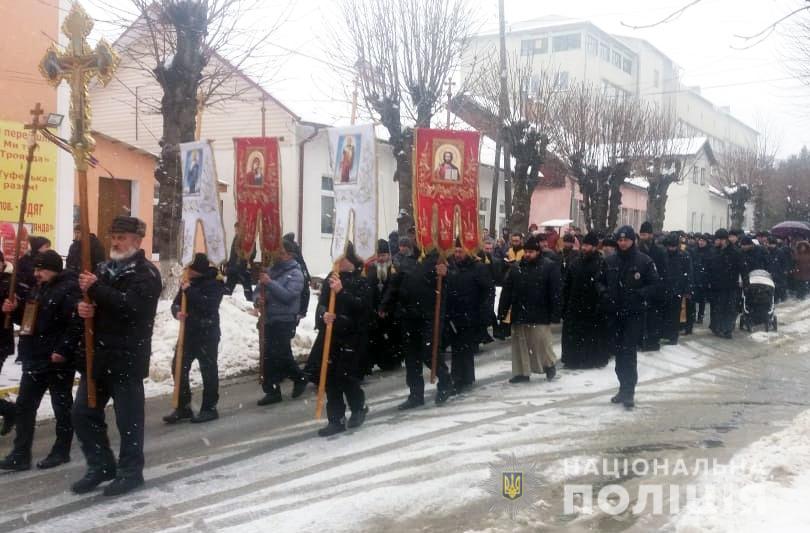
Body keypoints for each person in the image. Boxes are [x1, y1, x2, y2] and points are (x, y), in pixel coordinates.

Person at [73, 216, 162, 496]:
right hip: (97, 356)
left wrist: (96, 289)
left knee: (129, 421)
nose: (115, 242)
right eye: (113, 236)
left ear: (137, 241)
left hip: (127, 357)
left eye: (122, 237)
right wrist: (85, 309)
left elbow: (131, 308)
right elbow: (97, 304)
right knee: (82, 414)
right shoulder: (101, 269)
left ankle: (130, 471)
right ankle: (101, 465)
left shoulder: (146, 274)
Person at [0, 250, 81, 471]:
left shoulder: (69, 289)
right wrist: (14, 310)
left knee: (61, 405)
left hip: (56, 359)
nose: (36, 273)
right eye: (35, 269)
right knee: (25, 406)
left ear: (53, 269)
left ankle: (61, 450)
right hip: (35, 356)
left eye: (41, 269)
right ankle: (20, 453)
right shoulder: (39, 288)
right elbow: (30, 319)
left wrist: (63, 350)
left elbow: (75, 324)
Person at [381, 247, 454, 409]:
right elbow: (395, 285)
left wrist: (446, 274)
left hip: (429, 316)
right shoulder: (407, 261)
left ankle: (445, 382)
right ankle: (415, 394)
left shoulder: (439, 259)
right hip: (408, 316)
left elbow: (454, 282)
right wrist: (385, 305)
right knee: (411, 357)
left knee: (429, 353)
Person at [598, 226, 659, 409]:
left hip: (633, 314)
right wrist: (604, 293)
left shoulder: (644, 261)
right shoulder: (609, 261)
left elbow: (655, 285)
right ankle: (622, 386)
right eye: (620, 240)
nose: (623, 243)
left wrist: (639, 294)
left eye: (626, 240)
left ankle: (629, 390)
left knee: (628, 352)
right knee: (617, 353)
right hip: (614, 313)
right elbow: (599, 281)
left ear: (633, 240)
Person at [163, 253, 225, 424]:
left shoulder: (215, 282)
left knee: (208, 370)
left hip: (207, 333)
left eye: (189, 268)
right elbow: (175, 303)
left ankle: (209, 408)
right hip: (188, 334)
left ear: (196, 270)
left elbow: (208, 306)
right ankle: (183, 406)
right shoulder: (187, 282)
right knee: (178, 367)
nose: (186, 270)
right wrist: (177, 312)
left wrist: (189, 290)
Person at [315, 244, 370, 437]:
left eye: (342, 258)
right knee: (330, 379)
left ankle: (358, 407)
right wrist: (324, 315)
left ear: (350, 260)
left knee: (346, 377)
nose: (338, 262)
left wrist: (342, 293)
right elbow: (321, 304)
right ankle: (336, 419)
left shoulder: (361, 281)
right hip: (332, 336)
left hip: (351, 338)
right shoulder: (331, 279)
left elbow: (362, 308)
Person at [498, 234, 561, 383]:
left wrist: (555, 313)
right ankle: (522, 372)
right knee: (520, 344)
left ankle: (549, 365)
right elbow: (507, 292)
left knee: (541, 343)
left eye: (531, 252)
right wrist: (502, 312)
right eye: (526, 252)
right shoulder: (516, 268)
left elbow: (555, 292)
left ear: (538, 252)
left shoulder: (549, 267)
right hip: (520, 312)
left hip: (540, 312)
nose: (527, 254)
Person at [255, 240, 308, 405]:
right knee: (268, 355)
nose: (278, 255)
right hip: (269, 318)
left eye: (282, 252)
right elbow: (257, 291)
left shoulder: (296, 273)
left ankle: (299, 377)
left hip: (285, 319)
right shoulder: (271, 270)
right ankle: (272, 390)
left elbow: (287, 296)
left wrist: (269, 283)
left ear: (290, 255)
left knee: (281, 354)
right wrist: (258, 300)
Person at [446, 239, 492, 393]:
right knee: (457, 348)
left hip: (471, 314)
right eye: (456, 251)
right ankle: (462, 377)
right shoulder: (451, 267)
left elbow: (487, 292)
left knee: (465, 348)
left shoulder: (478, 268)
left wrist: (484, 314)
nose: (457, 254)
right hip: (455, 315)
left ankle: (460, 378)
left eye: (461, 251)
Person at [561, 233, 608, 369]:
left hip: (592, 306)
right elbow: (567, 283)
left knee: (591, 335)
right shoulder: (575, 262)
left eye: (588, 245)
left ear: (594, 247)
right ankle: (572, 359)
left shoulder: (601, 263)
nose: (584, 248)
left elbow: (604, 285)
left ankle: (590, 360)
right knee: (573, 335)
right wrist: (565, 303)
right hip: (575, 305)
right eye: (584, 245)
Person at [365, 239, 401, 372]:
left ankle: (391, 361)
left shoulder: (394, 269)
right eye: (379, 255)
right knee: (375, 338)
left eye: (384, 255)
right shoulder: (370, 269)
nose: (381, 258)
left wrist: (386, 308)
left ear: (389, 256)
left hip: (390, 312)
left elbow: (395, 291)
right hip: (374, 311)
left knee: (390, 338)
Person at [708, 229, 744, 339]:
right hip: (717, 285)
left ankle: (727, 329)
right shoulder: (715, 250)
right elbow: (711, 267)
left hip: (730, 285)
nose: (716, 241)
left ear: (723, 240)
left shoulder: (734, 251)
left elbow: (741, 267)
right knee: (718, 307)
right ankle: (717, 327)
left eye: (718, 239)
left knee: (729, 308)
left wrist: (744, 281)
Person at [637, 222, 667, 351]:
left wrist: (660, 286)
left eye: (645, 234)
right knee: (640, 317)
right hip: (641, 288)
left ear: (651, 235)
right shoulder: (637, 250)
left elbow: (664, 271)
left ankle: (652, 341)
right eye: (641, 234)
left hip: (655, 289)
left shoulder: (659, 252)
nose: (643, 237)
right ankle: (640, 341)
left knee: (653, 317)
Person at [661, 233, 692, 345]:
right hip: (665, 287)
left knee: (674, 314)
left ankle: (673, 336)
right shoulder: (664, 255)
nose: (671, 249)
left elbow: (688, 274)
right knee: (665, 312)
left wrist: (687, 290)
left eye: (673, 246)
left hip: (678, 288)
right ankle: (665, 333)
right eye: (669, 246)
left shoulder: (684, 256)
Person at [0, 251, 16, 436]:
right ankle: (9, 410)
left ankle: (10, 411)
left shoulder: (8, 283)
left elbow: (13, 304)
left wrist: (11, 306)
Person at [225, 222, 255, 301]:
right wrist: (229, 264)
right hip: (233, 268)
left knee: (247, 289)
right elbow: (232, 254)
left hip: (243, 268)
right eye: (236, 230)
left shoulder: (249, 239)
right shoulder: (235, 238)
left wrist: (244, 258)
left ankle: (251, 302)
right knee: (228, 289)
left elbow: (252, 254)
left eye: (238, 230)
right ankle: (226, 304)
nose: (236, 232)